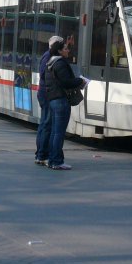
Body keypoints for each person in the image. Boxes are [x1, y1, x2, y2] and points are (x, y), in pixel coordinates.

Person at [44, 39, 86, 170]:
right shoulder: (60, 63)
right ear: (60, 50)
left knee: (54, 132)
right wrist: (80, 80)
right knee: (59, 133)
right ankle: (56, 161)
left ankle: (52, 160)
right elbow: (66, 82)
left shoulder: (50, 62)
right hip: (61, 100)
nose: (68, 50)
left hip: (53, 99)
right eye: (66, 48)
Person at [34, 35, 62, 166]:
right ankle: (42, 154)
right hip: (47, 94)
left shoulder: (47, 55)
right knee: (46, 124)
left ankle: (41, 153)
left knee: (45, 124)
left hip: (44, 93)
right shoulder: (48, 57)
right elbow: (44, 74)